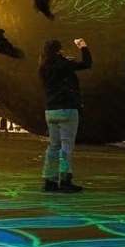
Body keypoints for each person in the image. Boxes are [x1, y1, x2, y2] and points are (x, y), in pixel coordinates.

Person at [37, 38, 92, 192]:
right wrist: (83, 46)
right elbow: (86, 63)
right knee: (66, 147)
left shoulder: (43, 68)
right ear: (59, 50)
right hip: (67, 109)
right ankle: (65, 179)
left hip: (50, 110)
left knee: (53, 146)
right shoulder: (64, 64)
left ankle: (50, 180)